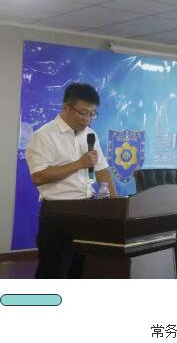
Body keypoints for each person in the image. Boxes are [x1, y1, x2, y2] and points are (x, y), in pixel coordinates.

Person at [25, 83, 117, 278]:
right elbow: (38, 176)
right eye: (83, 113)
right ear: (66, 107)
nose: (87, 119)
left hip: (87, 210)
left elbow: (102, 170)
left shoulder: (90, 134)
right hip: (58, 213)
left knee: (82, 271)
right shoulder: (44, 136)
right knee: (53, 272)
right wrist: (79, 164)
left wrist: (116, 206)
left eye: (92, 114)